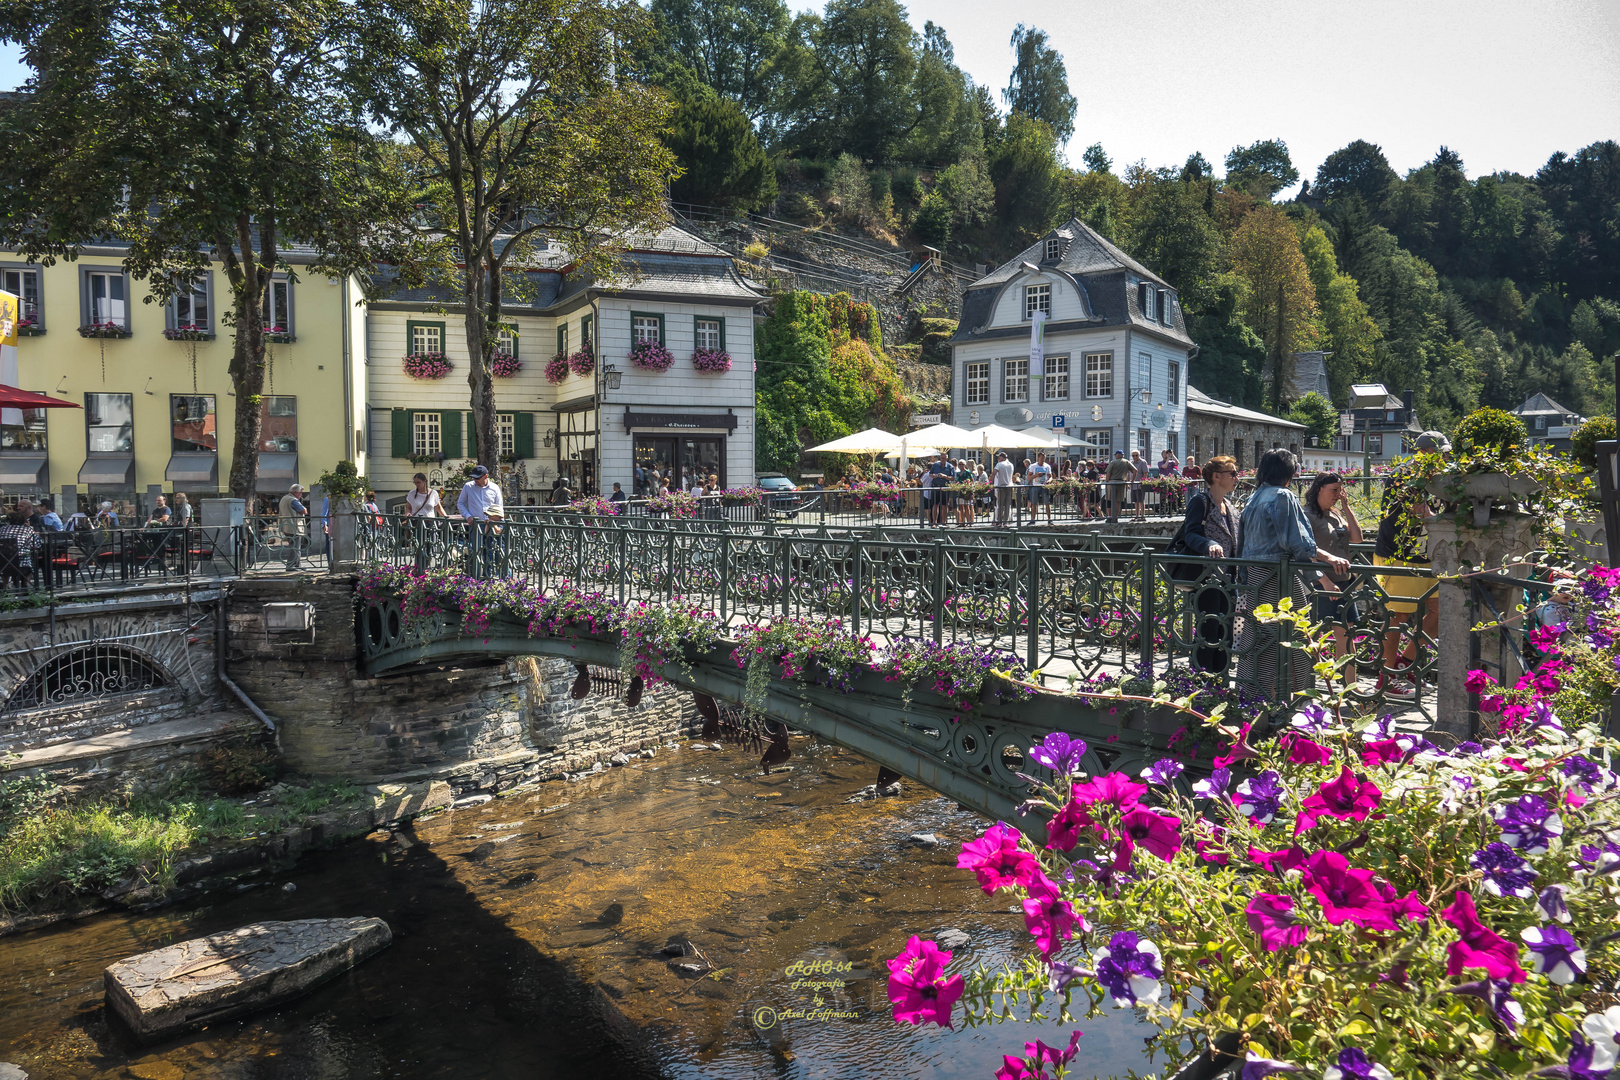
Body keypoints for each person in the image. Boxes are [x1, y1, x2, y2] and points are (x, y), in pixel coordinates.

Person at [1235, 449, 1350, 699]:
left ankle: (1250, 697)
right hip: (1278, 577)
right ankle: (1298, 699)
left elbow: (1240, 544)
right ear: (1288, 473)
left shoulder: (1253, 498)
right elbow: (1299, 543)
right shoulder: (1283, 496)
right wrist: (1323, 568)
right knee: (1298, 636)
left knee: (1257, 638)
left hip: (1256, 577)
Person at [1373, 432, 1449, 699]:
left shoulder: (1442, 476)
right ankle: (1385, 678)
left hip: (1428, 556)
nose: (1445, 458)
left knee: (1442, 610)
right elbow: (1420, 512)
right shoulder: (1405, 474)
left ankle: (1404, 663)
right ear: (1426, 453)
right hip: (1399, 555)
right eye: (1441, 453)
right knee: (1397, 617)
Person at [1178, 454, 1241, 672]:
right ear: (1216, 476)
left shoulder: (1229, 506)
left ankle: (1220, 680)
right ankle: (1201, 679)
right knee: (1209, 630)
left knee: (1226, 631)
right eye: (1232, 473)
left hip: (1228, 578)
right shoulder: (1200, 501)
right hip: (1207, 577)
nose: (1237, 478)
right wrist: (1209, 544)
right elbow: (1190, 534)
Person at [1304, 471, 1364, 662]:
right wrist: (1325, 581)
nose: (1338, 494)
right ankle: (1310, 683)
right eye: (1334, 490)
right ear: (1320, 489)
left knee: (1346, 634)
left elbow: (1357, 538)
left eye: (1340, 490)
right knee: (1312, 634)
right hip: (1322, 584)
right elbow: (1306, 553)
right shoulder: (1307, 515)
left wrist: (1346, 508)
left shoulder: (1335, 514)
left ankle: (1349, 688)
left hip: (1343, 582)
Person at [458, 465, 505, 577]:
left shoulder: (494, 488)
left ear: (486, 476)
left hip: (493, 525)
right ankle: (481, 577)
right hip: (476, 525)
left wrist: (498, 524)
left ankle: (502, 578)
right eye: (473, 478)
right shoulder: (468, 486)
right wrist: (468, 516)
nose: (475, 480)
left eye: (477, 478)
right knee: (478, 552)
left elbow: (499, 506)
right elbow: (461, 503)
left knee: (497, 552)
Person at [0, 510, 40, 588]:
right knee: (32, 560)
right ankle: (26, 584)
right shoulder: (27, 530)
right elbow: (37, 544)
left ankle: (5, 585)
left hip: (3, 563)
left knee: (5, 562)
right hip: (22, 562)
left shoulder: (2, 529)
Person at [277, 483, 307, 570]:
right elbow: (304, 511)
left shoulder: (284, 498)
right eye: (300, 493)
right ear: (295, 492)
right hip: (294, 526)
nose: (301, 495)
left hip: (286, 525)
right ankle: (291, 565)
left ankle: (297, 565)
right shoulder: (293, 500)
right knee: (295, 547)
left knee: (294, 546)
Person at [1104, 451, 1133, 523]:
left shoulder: (1113, 462)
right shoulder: (1127, 462)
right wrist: (1132, 480)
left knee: (1109, 499)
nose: (1115, 456)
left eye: (1115, 455)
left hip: (1112, 482)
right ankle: (1116, 516)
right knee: (1118, 501)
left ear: (1118, 455)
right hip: (1121, 483)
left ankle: (1110, 516)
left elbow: (1108, 473)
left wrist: (1106, 480)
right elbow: (1135, 470)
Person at [991, 451, 1015, 526]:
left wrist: (991, 482)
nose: (998, 459)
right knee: (1007, 504)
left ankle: (999, 521)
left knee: (1000, 504)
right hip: (1009, 486)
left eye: (999, 457)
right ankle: (1005, 521)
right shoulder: (1011, 464)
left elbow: (994, 472)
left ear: (1002, 458)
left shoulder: (999, 464)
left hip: (1001, 486)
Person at [1028, 451, 1053, 522]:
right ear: (1038, 458)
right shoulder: (1033, 466)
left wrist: (1049, 481)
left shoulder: (1047, 466)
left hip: (1044, 486)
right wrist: (1036, 475)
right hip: (1035, 485)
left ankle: (1049, 518)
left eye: (1044, 458)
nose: (1043, 460)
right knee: (1034, 503)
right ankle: (1033, 519)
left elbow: (1050, 476)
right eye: (1042, 458)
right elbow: (1028, 477)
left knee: (1047, 503)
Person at [1130, 449, 1149, 521]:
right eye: (1133, 455)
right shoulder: (1131, 463)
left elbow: (1145, 473)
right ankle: (1137, 515)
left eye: (1136, 455)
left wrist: (1142, 483)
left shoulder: (1143, 462)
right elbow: (1129, 473)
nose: (1134, 457)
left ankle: (1142, 516)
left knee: (1141, 500)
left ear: (1139, 455)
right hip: (1133, 485)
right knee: (1135, 501)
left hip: (1139, 484)